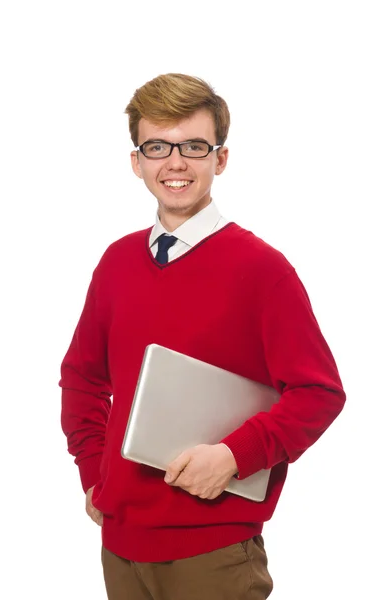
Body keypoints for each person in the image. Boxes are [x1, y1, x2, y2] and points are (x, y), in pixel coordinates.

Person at [59, 73, 346, 600]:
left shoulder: (263, 270)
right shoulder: (117, 263)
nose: (175, 163)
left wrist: (235, 457)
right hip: (120, 546)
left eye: (193, 146)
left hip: (213, 554)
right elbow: (81, 376)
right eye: (157, 146)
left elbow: (319, 394)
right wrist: (93, 473)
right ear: (136, 161)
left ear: (220, 158)